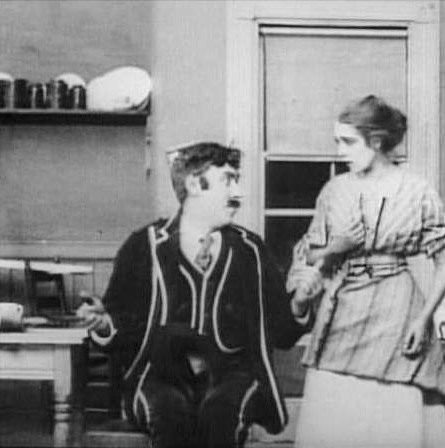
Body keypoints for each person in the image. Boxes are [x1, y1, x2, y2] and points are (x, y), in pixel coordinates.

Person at [76, 141, 322, 448]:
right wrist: (104, 324)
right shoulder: (143, 246)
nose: (238, 192)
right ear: (194, 184)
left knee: (220, 415)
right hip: (160, 375)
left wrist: (299, 303)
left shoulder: (250, 250)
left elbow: (282, 332)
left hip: (233, 375)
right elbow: (122, 326)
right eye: (228, 180)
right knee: (170, 416)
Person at [287, 95, 445, 448]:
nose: (340, 151)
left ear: (377, 141)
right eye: (337, 141)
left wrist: (424, 318)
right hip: (342, 309)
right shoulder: (335, 191)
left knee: (392, 411)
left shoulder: (416, 191)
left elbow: (444, 263)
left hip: (396, 309)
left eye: (348, 142)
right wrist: (337, 247)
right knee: (335, 411)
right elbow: (311, 253)